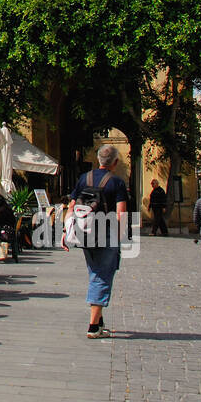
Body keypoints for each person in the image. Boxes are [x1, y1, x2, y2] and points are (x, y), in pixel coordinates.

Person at [64, 144, 128, 339]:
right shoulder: (116, 183)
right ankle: (93, 326)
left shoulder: (84, 178)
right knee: (101, 276)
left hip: (85, 233)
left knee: (95, 271)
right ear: (115, 162)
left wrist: (66, 230)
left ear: (98, 160)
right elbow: (121, 214)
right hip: (106, 233)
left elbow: (72, 206)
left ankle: (99, 322)